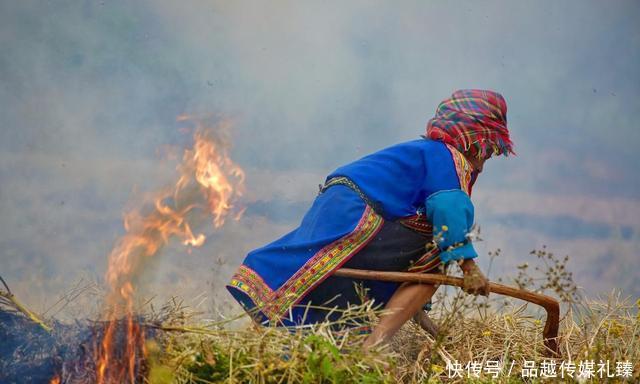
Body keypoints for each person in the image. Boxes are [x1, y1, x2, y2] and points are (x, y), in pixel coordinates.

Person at [226, 89, 514, 348]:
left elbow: (409, 262)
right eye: (489, 152)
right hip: (357, 211)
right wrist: (468, 266)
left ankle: (284, 342)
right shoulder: (448, 157)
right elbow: (448, 209)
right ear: (477, 141)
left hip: (338, 204)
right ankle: (373, 348)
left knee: (324, 274)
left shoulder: (423, 152)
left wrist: (424, 321)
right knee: (435, 260)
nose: (486, 162)